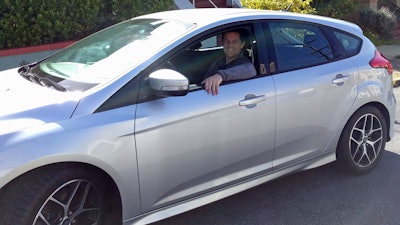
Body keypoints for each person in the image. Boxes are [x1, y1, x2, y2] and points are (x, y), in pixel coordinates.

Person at [201, 29, 257, 95]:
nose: (230, 45)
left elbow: (250, 70)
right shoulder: (218, 61)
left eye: (235, 42)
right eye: (226, 41)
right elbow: (205, 81)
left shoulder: (244, 62)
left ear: (242, 44)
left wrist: (221, 76)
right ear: (222, 43)